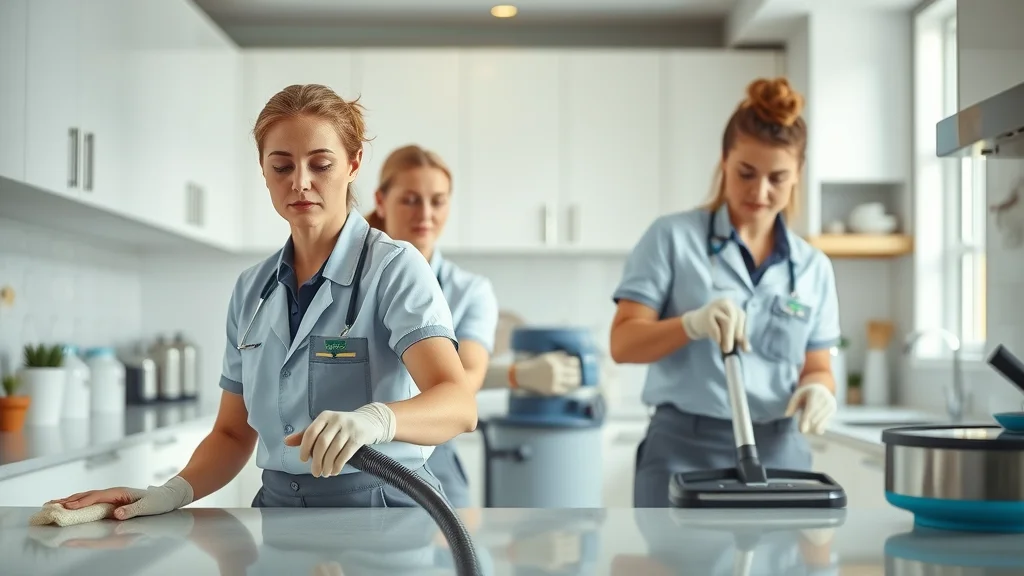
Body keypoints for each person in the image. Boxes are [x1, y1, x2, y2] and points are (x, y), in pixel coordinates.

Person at [53, 84, 477, 517]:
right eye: (281, 166)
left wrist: (376, 420)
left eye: (321, 164)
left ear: (353, 164)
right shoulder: (252, 290)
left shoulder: (393, 268)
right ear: (263, 170)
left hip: (382, 511)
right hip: (278, 513)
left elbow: (458, 404)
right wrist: (170, 493)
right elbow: (233, 435)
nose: (300, 182)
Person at [609, 78, 841, 508]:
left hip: (780, 448)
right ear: (724, 162)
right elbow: (623, 344)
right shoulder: (671, 239)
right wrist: (690, 324)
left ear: (798, 176)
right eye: (746, 174)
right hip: (683, 447)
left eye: (778, 177)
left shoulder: (813, 268)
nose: (760, 192)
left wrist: (819, 389)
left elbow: (817, 366)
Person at [366, 144, 582, 508]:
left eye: (438, 201)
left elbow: (466, 381)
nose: (426, 214)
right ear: (381, 201)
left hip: (432, 456)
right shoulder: (349, 280)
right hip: (354, 457)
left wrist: (382, 418)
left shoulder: (469, 291)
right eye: (410, 200)